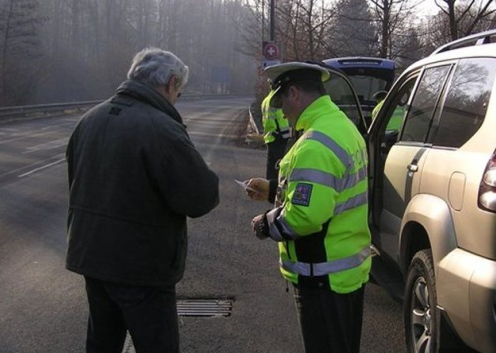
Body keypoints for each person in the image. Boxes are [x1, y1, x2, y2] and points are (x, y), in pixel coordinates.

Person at [66, 47, 219, 353]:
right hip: (142, 267)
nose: (178, 98)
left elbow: (77, 182)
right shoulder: (161, 128)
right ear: (171, 82)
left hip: (93, 258)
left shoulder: (89, 120)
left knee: (102, 344)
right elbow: (201, 198)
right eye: (180, 91)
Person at [245, 62, 371, 353]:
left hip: (322, 279)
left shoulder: (313, 145)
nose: (281, 111)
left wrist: (265, 224)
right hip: (346, 273)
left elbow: (305, 217)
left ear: (295, 93)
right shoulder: (341, 127)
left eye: (281, 103)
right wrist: (273, 190)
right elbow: (330, 195)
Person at [261, 87, 292, 179]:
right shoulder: (276, 100)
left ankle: (269, 188)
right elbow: (281, 118)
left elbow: (264, 120)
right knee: (280, 166)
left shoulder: (266, 100)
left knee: (271, 167)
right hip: (279, 137)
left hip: (270, 136)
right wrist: (286, 136)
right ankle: (276, 189)